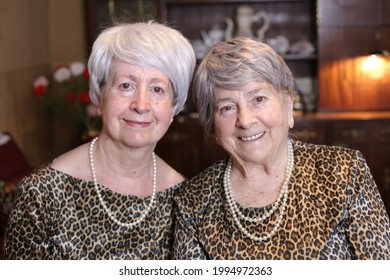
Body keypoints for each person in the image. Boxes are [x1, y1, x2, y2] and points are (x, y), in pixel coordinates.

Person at [173, 37, 390, 259]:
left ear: (287, 106)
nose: (245, 120)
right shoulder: (192, 202)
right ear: (212, 126)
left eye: (258, 98)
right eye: (227, 107)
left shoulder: (344, 171)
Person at [4, 21, 196, 259]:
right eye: (126, 86)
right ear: (99, 96)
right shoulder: (41, 194)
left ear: (174, 107)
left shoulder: (186, 202)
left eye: (157, 90)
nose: (141, 105)